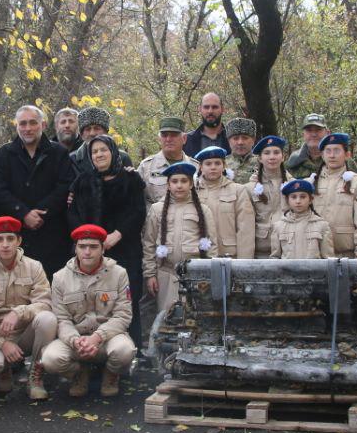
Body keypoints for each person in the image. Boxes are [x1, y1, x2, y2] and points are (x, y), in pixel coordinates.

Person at [67, 134, 147, 347]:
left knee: (125, 301)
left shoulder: (131, 179)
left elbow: (138, 212)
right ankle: (91, 349)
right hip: (90, 252)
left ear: (113, 152)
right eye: (94, 151)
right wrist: (89, 239)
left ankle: (129, 352)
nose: (99, 154)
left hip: (125, 250)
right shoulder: (82, 181)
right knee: (92, 302)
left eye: (104, 150)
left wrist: (117, 234)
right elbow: (72, 214)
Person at [42, 224, 136, 397]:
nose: (87, 252)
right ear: (75, 249)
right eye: (82, 246)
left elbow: (123, 315)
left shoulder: (119, 274)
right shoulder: (60, 278)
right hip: (77, 340)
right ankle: (79, 373)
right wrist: (75, 341)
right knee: (50, 359)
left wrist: (97, 337)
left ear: (102, 249)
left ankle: (111, 373)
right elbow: (62, 319)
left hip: (107, 337)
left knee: (125, 351)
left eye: (93, 247)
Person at [0, 215, 57, 399]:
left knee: (47, 319)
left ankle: (36, 375)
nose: (5, 244)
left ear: (19, 240)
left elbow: (45, 303)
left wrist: (18, 312)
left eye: (10, 238)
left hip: (26, 331)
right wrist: (3, 344)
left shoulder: (34, 267)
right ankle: (4, 369)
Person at [0, 105, 75, 279]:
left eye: (32, 123)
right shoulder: (4, 154)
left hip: (52, 233)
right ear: (17, 126)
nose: (27, 128)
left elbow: (65, 186)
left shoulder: (59, 153)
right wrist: (23, 213)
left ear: (43, 125)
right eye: (22, 124)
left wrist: (42, 212)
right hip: (16, 233)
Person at [143, 162, 217, 317]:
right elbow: (149, 244)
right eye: (174, 181)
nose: (179, 185)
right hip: (166, 273)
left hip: (196, 276)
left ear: (191, 184)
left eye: (184, 181)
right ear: (168, 185)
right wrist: (150, 274)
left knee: (196, 318)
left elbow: (212, 245)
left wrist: (210, 275)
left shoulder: (203, 210)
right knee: (167, 318)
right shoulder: (157, 209)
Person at [311, 132, 357, 260]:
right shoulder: (311, 183)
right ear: (322, 155)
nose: (332, 155)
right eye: (328, 151)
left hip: (347, 255)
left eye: (337, 151)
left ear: (347, 155)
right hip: (316, 256)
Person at [194, 146, 254, 259]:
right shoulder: (192, 192)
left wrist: (244, 263)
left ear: (224, 166)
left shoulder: (238, 190)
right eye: (208, 164)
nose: (213, 167)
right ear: (201, 167)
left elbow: (246, 230)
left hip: (230, 256)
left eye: (217, 163)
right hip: (199, 255)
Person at [247, 135, 292, 257]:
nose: (272, 157)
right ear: (260, 159)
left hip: (290, 248)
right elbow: (245, 226)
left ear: (283, 157)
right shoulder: (249, 188)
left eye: (276, 152)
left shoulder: (294, 186)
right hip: (261, 250)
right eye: (267, 153)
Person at [270, 178, 334, 259]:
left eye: (303, 197)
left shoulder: (322, 225)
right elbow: (275, 258)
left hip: (314, 271)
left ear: (311, 199)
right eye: (293, 197)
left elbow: (329, 260)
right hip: (287, 271)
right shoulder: (279, 227)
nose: (298, 201)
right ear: (287, 200)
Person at [138, 117, 195, 205]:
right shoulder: (146, 167)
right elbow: (135, 199)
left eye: (173, 135)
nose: (168, 139)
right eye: (164, 135)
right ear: (159, 139)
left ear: (184, 139)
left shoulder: (196, 167)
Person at [69, 107, 132, 174]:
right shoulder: (72, 160)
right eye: (88, 129)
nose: (92, 133)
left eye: (97, 128)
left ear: (106, 132)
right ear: (81, 134)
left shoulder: (123, 158)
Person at [183, 92, 230, 157]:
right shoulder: (187, 141)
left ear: (222, 109)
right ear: (199, 109)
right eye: (206, 107)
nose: (210, 111)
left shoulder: (232, 138)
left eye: (215, 107)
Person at [286, 114, 329, 178]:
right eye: (309, 130)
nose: (314, 134)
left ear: (327, 133)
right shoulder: (293, 161)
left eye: (318, 130)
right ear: (303, 134)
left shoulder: (338, 159)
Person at [223, 117, 259, 183]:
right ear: (229, 141)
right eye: (235, 138)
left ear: (253, 140)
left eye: (245, 138)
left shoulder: (263, 162)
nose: (240, 142)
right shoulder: (221, 164)